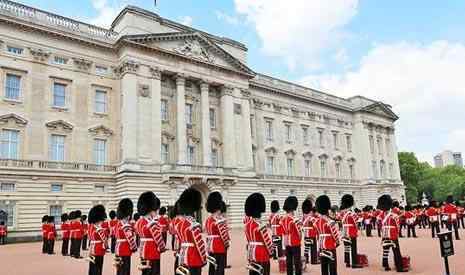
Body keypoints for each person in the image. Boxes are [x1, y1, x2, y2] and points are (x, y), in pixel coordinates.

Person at [174, 188, 207, 275]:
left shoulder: (178, 225)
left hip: (182, 256)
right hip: (194, 258)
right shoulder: (193, 225)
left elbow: (178, 242)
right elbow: (199, 244)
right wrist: (204, 259)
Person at [135, 191, 166, 275]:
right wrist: (162, 248)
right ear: (151, 208)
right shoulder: (152, 223)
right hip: (153, 252)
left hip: (143, 251)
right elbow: (158, 239)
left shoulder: (138, 222)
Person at [244, 193, 272, 275]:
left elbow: (248, 240)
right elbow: (267, 242)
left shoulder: (247, 225)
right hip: (261, 254)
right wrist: (271, 252)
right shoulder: (260, 226)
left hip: (251, 253)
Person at [378, 194, 407, 272]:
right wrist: (397, 233)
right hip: (393, 234)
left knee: (385, 249)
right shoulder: (394, 215)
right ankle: (399, 267)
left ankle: (385, 265)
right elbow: (398, 226)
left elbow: (379, 224)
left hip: (384, 234)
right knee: (396, 251)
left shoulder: (381, 215)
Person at [205, 192, 230, 275]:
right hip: (219, 246)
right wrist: (227, 244)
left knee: (212, 268)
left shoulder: (208, 220)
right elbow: (224, 236)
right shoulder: (219, 221)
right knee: (219, 268)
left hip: (210, 247)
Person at [315, 195, 340, 275]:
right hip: (330, 245)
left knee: (324, 266)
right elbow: (334, 233)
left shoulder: (316, 222)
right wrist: (337, 242)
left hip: (321, 245)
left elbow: (317, 235)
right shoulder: (329, 221)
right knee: (332, 267)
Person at [115, 198, 138, 275]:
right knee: (125, 269)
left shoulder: (117, 224)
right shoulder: (126, 225)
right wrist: (134, 248)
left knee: (119, 269)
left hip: (118, 248)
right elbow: (130, 238)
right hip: (125, 249)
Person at [280, 196, 302, 275]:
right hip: (295, 242)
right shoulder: (294, 220)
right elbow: (299, 233)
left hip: (286, 243)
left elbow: (282, 232)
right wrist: (299, 239)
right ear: (293, 208)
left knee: (289, 262)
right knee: (297, 262)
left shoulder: (282, 220)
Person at [339, 194, 362, 269]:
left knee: (346, 248)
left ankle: (347, 262)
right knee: (353, 248)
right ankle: (354, 263)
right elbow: (356, 223)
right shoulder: (352, 214)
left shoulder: (342, 214)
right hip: (351, 232)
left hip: (345, 232)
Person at [88, 205, 108, 275]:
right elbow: (104, 239)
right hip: (99, 250)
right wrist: (106, 247)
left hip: (92, 249)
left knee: (92, 266)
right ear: (99, 219)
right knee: (98, 267)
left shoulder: (91, 227)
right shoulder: (99, 229)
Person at [301, 199, 318, 265]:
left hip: (306, 233)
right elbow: (316, 224)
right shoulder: (311, 217)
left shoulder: (304, 216)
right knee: (313, 248)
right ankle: (314, 260)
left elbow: (302, 224)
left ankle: (306, 260)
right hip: (312, 233)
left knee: (306, 247)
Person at [220, 201, 232, 269]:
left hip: (223, 237)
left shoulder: (222, 218)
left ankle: (224, 263)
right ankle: (223, 264)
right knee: (224, 252)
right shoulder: (222, 219)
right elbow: (224, 230)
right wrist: (227, 238)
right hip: (223, 238)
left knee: (225, 252)